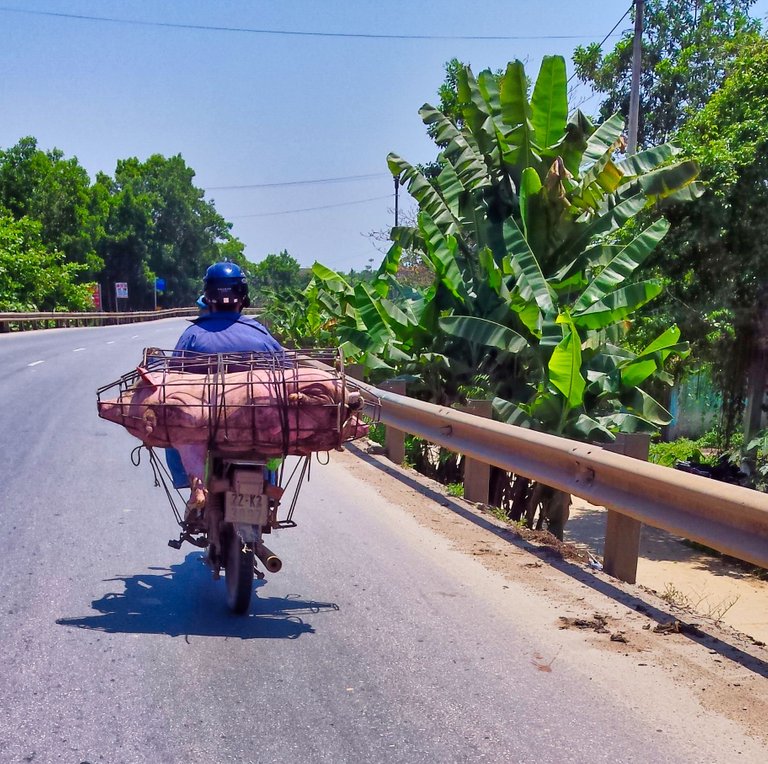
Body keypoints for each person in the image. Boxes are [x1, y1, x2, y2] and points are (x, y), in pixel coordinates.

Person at [165, 262, 284, 507]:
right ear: (243, 296)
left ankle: (191, 485)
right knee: (275, 433)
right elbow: (286, 376)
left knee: (171, 427)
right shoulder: (261, 334)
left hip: (204, 427)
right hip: (254, 428)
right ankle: (267, 487)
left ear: (207, 297)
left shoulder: (192, 336)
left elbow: (172, 381)